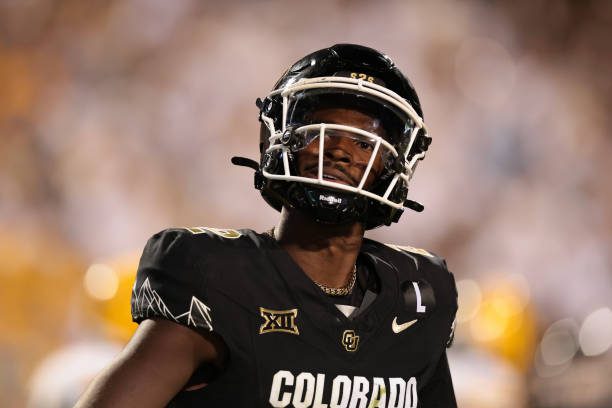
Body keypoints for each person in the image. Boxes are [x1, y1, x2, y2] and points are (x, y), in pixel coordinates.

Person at [76, 43, 458, 408]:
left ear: (396, 164)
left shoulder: (418, 294)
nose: (340, 150)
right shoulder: (218, 278)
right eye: (319, 130)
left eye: (363, 143)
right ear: (277, 138)